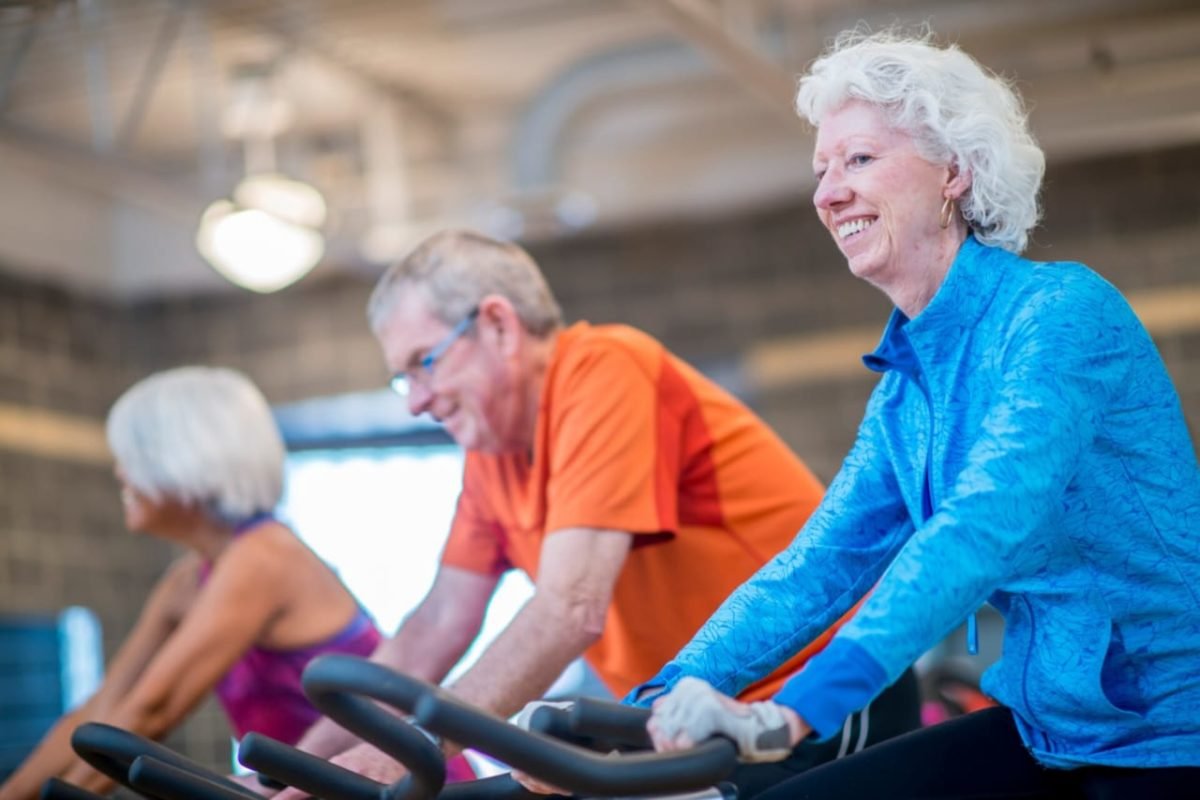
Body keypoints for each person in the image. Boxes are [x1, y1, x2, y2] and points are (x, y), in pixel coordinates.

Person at [635, 28, 1200, 799]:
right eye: (822, 170)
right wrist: (664, 692)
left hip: (1171, 736)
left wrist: (794, 713)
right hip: (1051, 729)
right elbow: (820, 566)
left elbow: (978, 529)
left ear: (954, 173)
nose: (828, 193)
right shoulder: (909, 388)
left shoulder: (1061, 314)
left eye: (860, 160)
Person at [277, 229, 921, 798]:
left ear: (498, 324)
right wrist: (296, 769)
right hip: (693, 722)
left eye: (423, 363)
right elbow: (436, 625)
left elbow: (569, 606)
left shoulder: (605, 371)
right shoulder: (493, 454)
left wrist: (400, 753)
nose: (415, 401)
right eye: (402, 380)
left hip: (815, 691)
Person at [0, 367, 384, 800]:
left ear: (182, 459)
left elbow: (153, 709)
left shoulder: (264, 557)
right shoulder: (189, 579)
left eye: (132, 456)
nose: (120, 474)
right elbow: (106, 705)